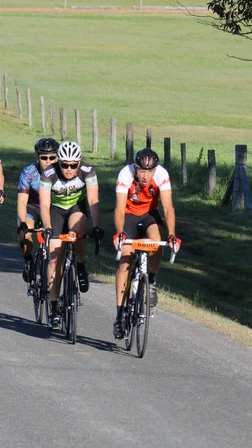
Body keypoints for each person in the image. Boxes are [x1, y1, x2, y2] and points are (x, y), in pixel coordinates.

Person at [111, 148, 181, 340]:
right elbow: (118, 209)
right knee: (125, 260)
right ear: (135, 168)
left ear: (155, 170)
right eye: (141, 171)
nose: (145, 176)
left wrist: (173, 235)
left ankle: (151, 278)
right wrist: (119, 233)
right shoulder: (125, 174)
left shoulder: (161, 174)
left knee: (156, 242)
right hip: (129, 216)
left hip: (150, 215)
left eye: (149, 172)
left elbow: (168, 208)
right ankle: (119, 314)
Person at [39, 141, 103, 328]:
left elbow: (93, 200)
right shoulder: (49, 174)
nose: (68, 169)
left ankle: (81, 266)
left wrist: (97, 226)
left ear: (79, 163)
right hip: (56, 210)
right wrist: (48, 227)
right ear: (58, 162)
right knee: (54, 258)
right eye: (64, 165)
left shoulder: (88, 171)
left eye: (73, 165)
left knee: (78, 231)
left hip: (76, 207)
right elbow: (44, 205)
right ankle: (53, 306)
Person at [16, 137, 59, 282]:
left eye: (52, 157)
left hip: (52, 209)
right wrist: (22, 223)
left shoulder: (63, 173)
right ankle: (28, 261)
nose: (48, 161)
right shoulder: (29, 172)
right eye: (44, 158)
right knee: (26, 233)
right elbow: (22, 201)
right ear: (37, 158)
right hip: (32, 207)